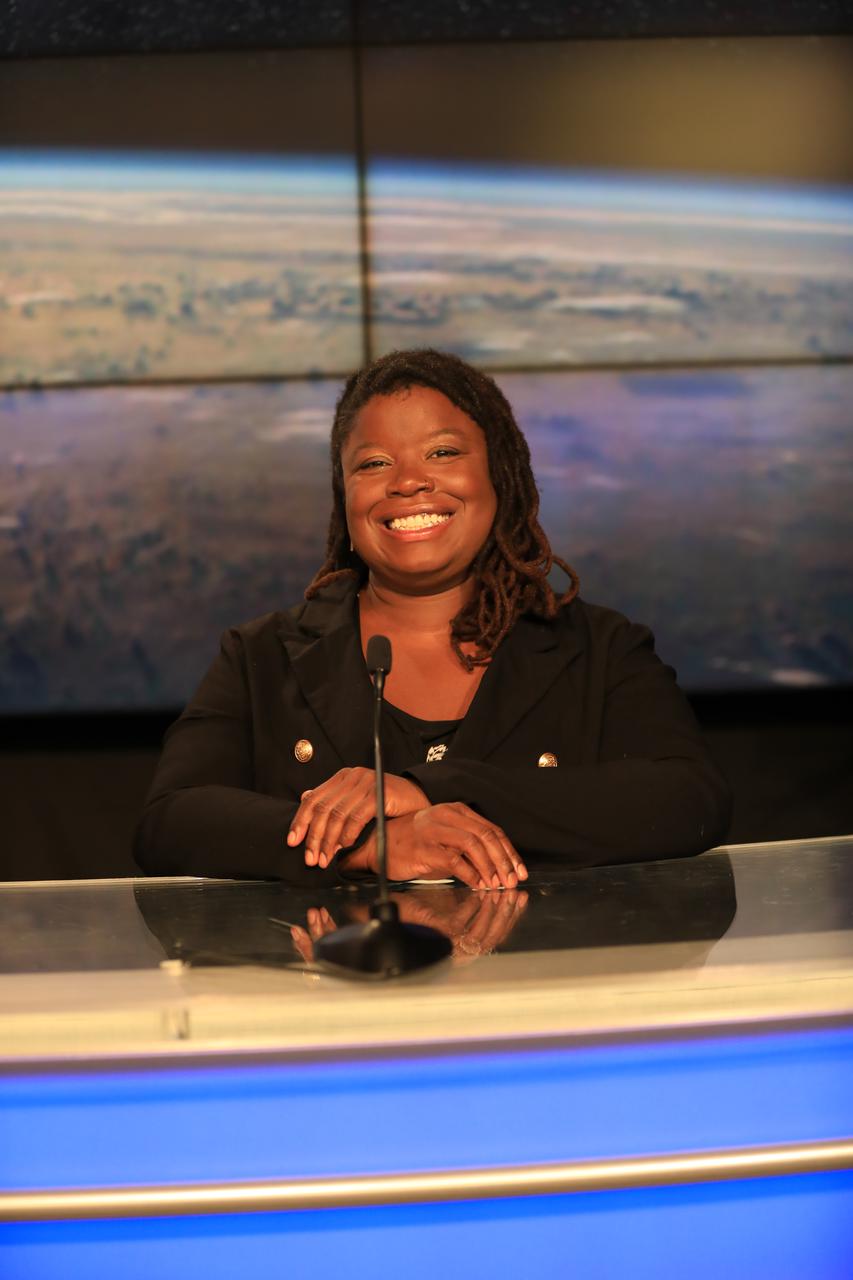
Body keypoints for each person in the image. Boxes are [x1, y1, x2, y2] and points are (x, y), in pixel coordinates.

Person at [135, 349, 731, 887]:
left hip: (539, 995)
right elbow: (170, 823)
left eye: (442, 452)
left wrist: (428, 788)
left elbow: (689, 802)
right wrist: (370, 846)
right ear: (344, 497)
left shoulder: (600, 649)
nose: (409, 482)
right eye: (372, 464)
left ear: (500, 475)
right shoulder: (260, 657)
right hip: (339, 998)